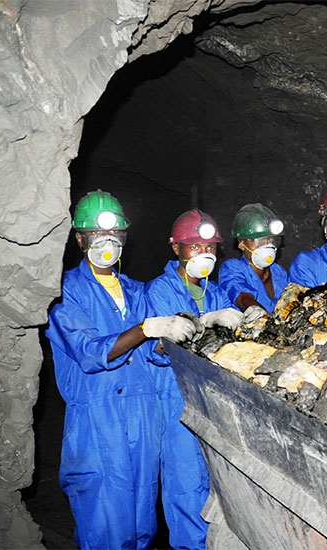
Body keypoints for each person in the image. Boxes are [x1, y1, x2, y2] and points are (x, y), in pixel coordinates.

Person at [46, 190, 200, 549]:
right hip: (99, 421)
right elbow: (88, 352)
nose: (107, 244)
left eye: (115, 236)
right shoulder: (66, 291)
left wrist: (183, 331)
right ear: (80, 238)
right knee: (106, 526)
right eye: (98, 236)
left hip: (143, 417)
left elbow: (153, 354)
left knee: (140, 527)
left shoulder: (136, 291)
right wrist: (146, 329)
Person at [143, 208, 242, 550]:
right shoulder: (160, 290)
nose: (204, 254)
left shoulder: (216, 293)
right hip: (177, 405)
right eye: (195, 246)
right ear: (176, 249)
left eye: (211, 247)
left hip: (216, 405)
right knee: (186, 491)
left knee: (219, 493)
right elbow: (162, 346)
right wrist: (207, 320)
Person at [218, 203, 288, 321]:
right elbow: (242, 298)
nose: (268, 245)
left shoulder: (278, 272)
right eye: (259, 240)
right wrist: (255, 310)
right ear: (241, 243)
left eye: (272, 239)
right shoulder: (232, 268)